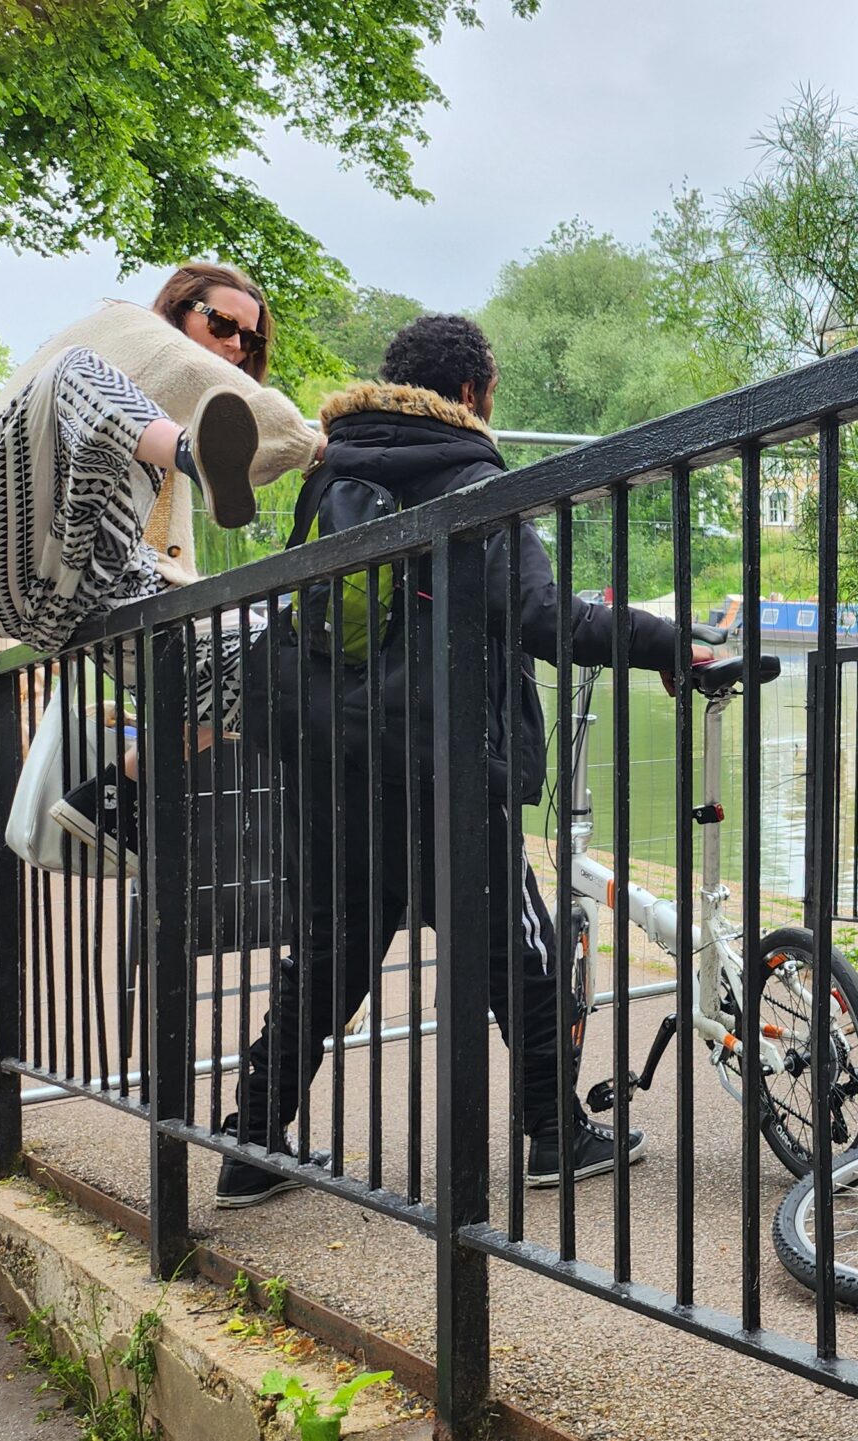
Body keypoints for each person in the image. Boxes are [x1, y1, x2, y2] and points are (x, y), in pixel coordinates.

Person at [214, 313, 708, 1207]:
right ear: (476, 392)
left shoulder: (333, 470)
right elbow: (539, 615)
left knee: (330, 949)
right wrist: (669, 641)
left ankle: (251, 1138)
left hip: (329, 756)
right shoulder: (469, 473)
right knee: (521, 950)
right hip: (437, 757)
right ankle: (556, 1131)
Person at [0, 263, 326, 862]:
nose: (237, 345)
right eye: (222, 323)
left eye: (251, 339)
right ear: (177, 311)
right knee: (73, 372)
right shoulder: (124, 328)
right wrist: (313, 446)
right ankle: (190, 452)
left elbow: (170, 564)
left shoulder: (159, 446)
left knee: (276, 649)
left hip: (74, 592)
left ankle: (116, 795)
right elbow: (185, 367)